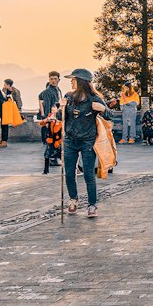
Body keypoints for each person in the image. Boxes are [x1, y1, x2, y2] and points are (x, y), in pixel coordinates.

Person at [62, 68, 107, 218]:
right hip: (70, 140)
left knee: (88, 174)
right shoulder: (68, 97)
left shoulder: (94, 98)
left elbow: (110, 115)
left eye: (73, 79)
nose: (71, 81)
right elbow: (60, 117)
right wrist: (60, 108)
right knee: (69, 173)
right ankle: (73, 199)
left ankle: (92, 205)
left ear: (80, 81)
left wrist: (102, 109)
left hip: (88, 141)